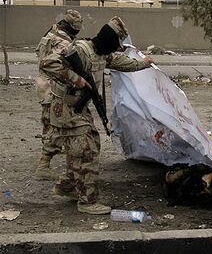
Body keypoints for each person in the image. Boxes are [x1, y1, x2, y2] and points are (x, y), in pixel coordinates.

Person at [39, 16, 154, 215]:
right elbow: (47, 63)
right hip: (65, 108)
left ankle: (67, 186)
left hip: (77, 109)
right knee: (87, 150)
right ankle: (87, 202)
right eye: (115, 44)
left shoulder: (102, 54)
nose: (115, 49)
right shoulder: (82, 50)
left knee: (83, 148)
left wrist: (143, 63)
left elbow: (121, 62)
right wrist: (76, 79)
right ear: (108, 39)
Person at [34, 9, 83, 180]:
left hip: (43, 83)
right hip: (52, 86)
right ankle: (43, 166)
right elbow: (59, 64)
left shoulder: (50, 32)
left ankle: (47, 159)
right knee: (53, 125)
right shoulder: (62, 41)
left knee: (49, 122)